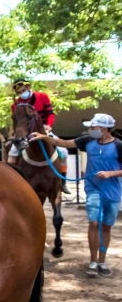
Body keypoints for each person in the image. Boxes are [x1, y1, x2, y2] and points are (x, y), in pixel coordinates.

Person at [31, 113, 122, 277]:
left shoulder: (118, 146)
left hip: (112, 192)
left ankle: (103, 261)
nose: (90, 129)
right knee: (94, 223)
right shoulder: (87, 141)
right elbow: (61, 142)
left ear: (103, 128)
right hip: (93, 188)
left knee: (106, 226)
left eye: (93, 126)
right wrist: (43, 137)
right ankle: (93, 262)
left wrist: (111, 174)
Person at [8, 77, 71, 193]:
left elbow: (50, 114)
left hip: (44, 131)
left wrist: (48, 125)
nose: (22, 94)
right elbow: (17, 121)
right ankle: (13, 183)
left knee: (63, 152)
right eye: (19, 92)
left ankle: (62, 182)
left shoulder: (42, 96)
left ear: (28, 87)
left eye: (23, 90)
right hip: (25, 134)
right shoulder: (15, 105)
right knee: (11, 155)